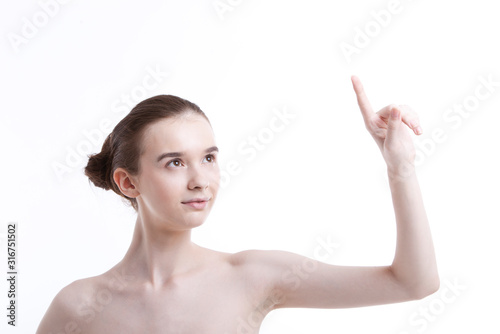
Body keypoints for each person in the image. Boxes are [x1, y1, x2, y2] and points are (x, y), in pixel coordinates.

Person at [36, 76, 439, 334]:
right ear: (128, 182)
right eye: (174, 162)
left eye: (208, 158)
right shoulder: (79, 306)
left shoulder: (254, 277)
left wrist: (399, 166)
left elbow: (413, 283)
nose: (200, 179)